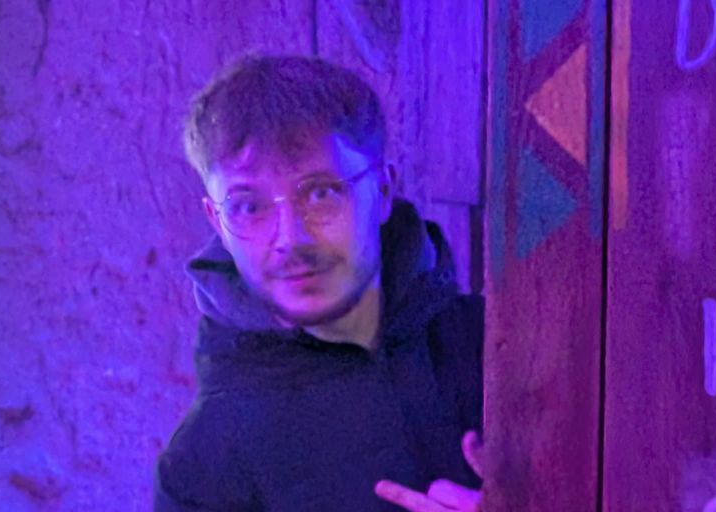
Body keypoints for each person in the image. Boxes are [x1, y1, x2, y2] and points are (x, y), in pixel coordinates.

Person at [153, 54, 484, 512]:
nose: (291, 238)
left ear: (383, 190)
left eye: (321, 193)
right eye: (249, 206)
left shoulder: (504, 352)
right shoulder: (199, 474)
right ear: (217, 222)